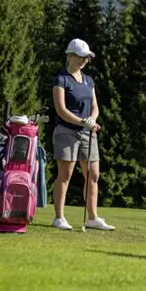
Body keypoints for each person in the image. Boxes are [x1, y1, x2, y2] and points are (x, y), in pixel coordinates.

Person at [50, 38, 115, 231]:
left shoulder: (88, 80)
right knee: (65, 174)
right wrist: (82, 122)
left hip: (87, 132)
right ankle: (59, 217)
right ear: (69, 56)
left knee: (93, 175)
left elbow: (95, 107)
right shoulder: (61, 79)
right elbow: (61, 110)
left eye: (85, 58)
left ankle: (92, 218)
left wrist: (92, 120)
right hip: (66, 132)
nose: (83, 60)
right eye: (79, 57)